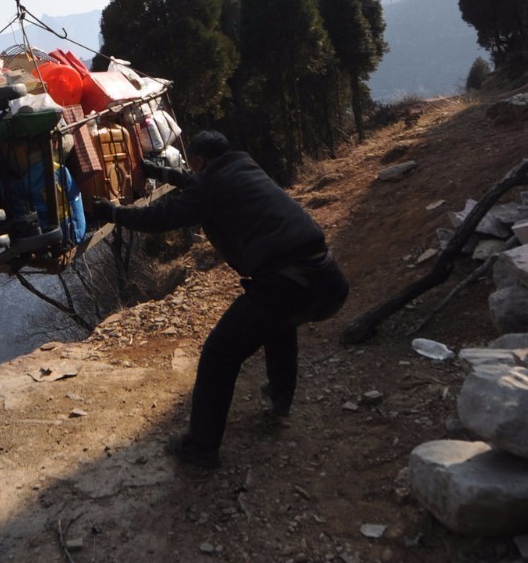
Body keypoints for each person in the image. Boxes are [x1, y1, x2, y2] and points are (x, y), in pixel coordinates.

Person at [90, 130, 348, 470]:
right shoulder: (245, 167)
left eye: (194, 166)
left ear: (199, 162)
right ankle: (280, 397)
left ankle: (201, 448)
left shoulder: (209, 186)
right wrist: (161, 173)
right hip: (328, 279)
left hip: (287, 284)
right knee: (279, 322)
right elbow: (200, 184)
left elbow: (159, 217)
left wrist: (112, 213)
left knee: (219, 353)